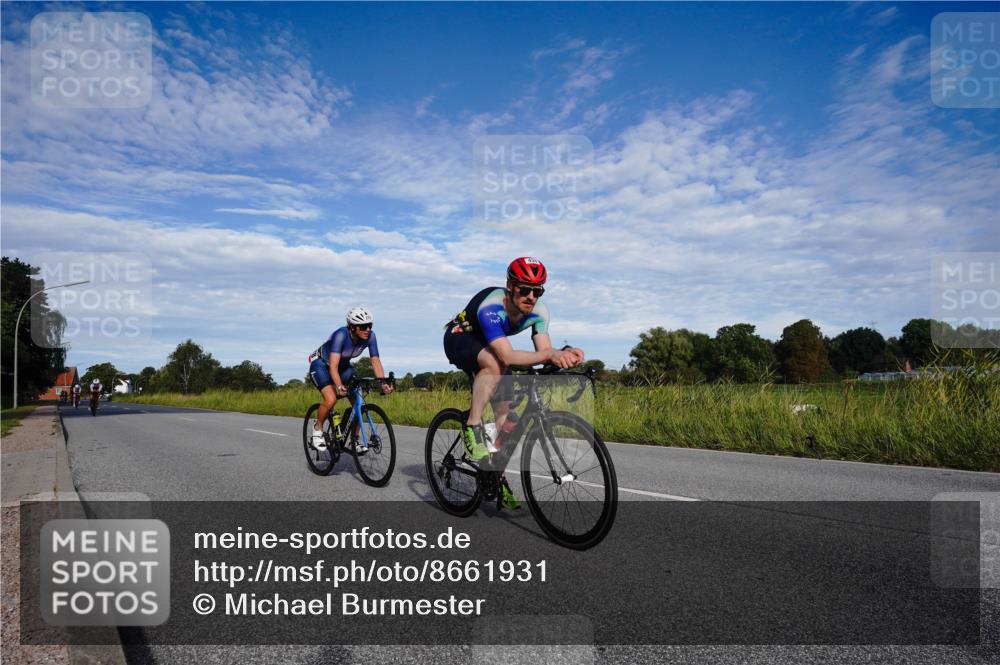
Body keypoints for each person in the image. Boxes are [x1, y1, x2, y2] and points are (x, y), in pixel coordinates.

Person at [443, 257, 585, 509]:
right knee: (496, 364)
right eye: (524, 289)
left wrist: (563, 355)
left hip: (491, 346)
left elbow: (543, 351)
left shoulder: (540, 313)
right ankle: (472, 424)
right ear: (510, 286)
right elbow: (507, 356)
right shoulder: (491, 307)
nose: (531, 296)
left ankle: (494, 476)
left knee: (508, 420)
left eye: (537, 290)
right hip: (460, 338)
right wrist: (551, 353)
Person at [308, 307, 393, 451]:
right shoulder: (341, 335)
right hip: (322, 365)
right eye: (363, 326)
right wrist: (339, 386)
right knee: (331, 399)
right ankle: (317, 429)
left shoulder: (370, 336)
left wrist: (383, 382)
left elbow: (375, 361)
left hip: (344, 367)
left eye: (370, 325)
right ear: (352, 327)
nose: (368, 329)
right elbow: (333, 366)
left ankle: (354, 440)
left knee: (359, 403)